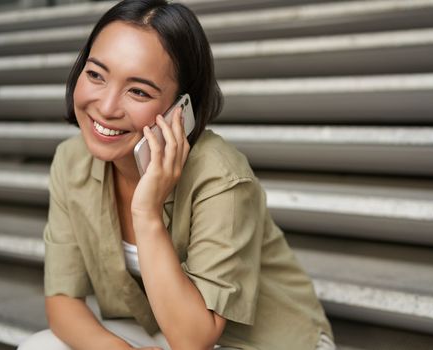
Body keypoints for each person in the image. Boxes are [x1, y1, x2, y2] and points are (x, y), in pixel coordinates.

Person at [18, 0, 335, 349]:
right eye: (96, 75)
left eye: (138, 91)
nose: (106, 108)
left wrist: (147, 212)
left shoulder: (221, 177)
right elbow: (62, 301)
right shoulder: (71, 160)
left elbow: (194, 339)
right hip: (162, 330)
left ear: (181, 109)